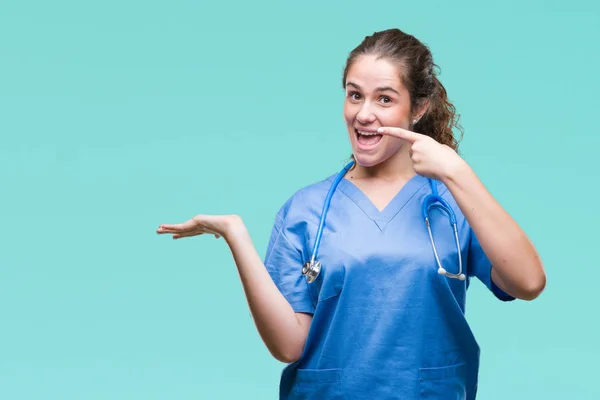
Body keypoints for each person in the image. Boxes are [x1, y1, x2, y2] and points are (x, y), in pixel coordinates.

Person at [156, 28, 546, 400]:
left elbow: (528, 282)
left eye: (385, 99)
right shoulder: (305, 210)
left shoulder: (452, 202)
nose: (364, 114)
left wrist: (457, 171)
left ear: (419, 109)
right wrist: (235, 235)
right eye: (355, 95)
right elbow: (289, 345)